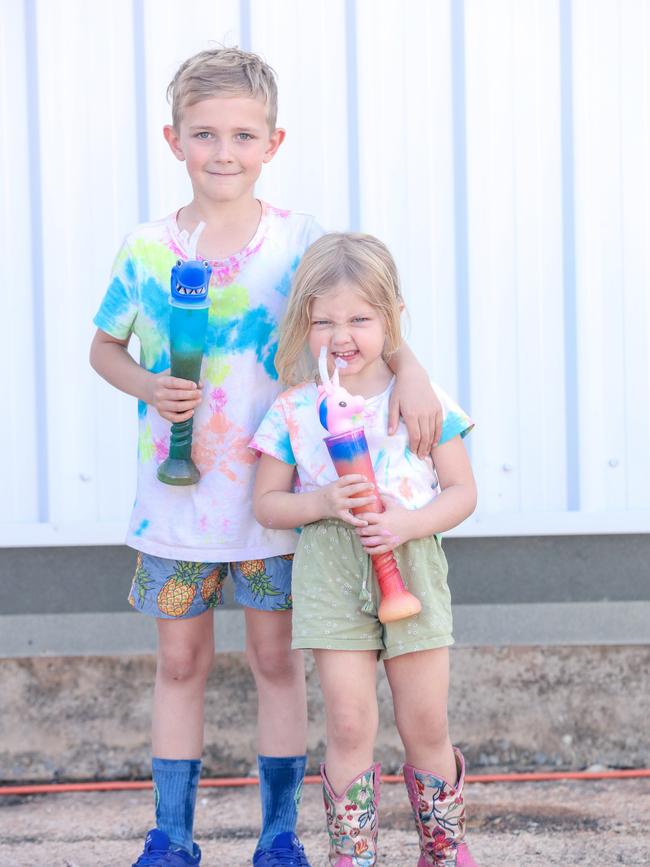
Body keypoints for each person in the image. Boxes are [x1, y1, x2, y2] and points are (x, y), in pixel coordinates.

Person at [89, 48, 443, 867]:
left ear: (273, 143)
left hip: (275, 500)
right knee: (180, 661)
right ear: (173, 138)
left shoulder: (300, 242)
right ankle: (172, 834)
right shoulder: (147, 249)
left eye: (243, 135)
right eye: (204, 133)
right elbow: (103, 349)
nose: (223, 151)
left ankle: (279, 831)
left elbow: (368, 320)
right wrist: (145, 379)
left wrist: (415, 371)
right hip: (177, 501)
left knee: (276, 659)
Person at [251, 232, 479, 866]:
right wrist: (321, 502)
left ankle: (444, 847)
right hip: (329, 568)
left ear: (392, 318)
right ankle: (352, 854)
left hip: (412, 564)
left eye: (359, 318)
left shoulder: (422, 403)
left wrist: (409, 524)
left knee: (425, 723)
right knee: (350, 724)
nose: (341, 335)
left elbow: (462, 492)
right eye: (323, 320)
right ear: (304, 324)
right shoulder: (295, 408)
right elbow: (267, 504)